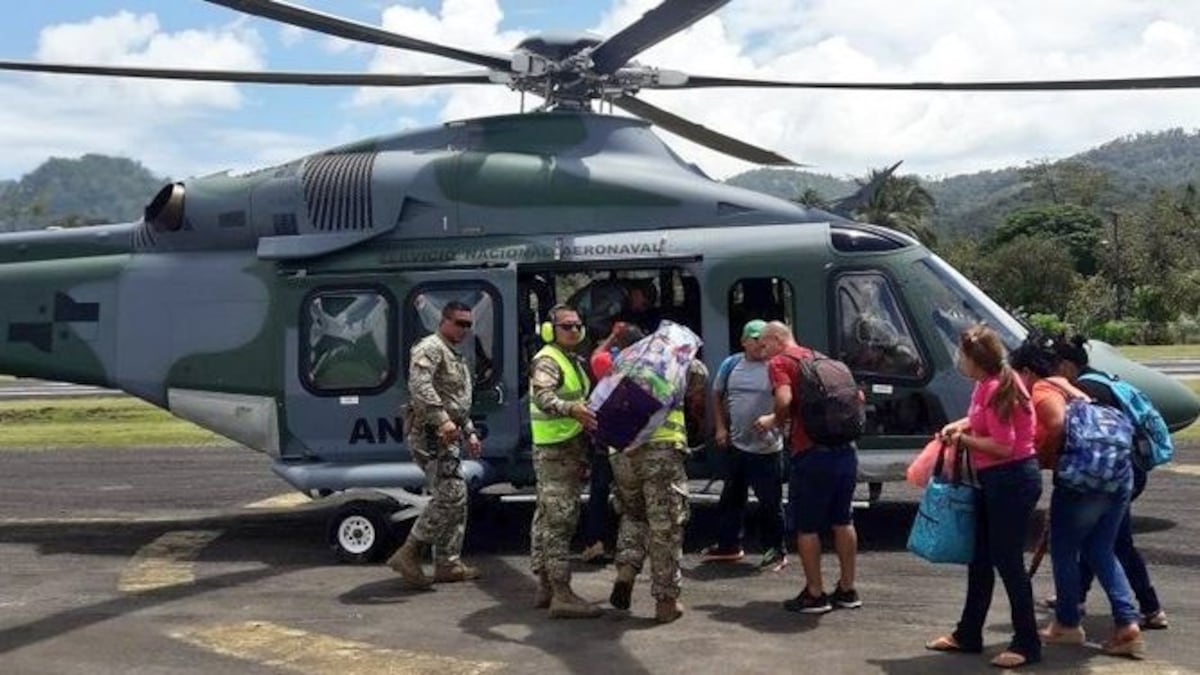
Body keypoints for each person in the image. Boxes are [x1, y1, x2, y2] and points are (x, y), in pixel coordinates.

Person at [1008, 336, 1145, 659]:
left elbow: (1055, 425)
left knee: (1065, 549)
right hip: (1117, 476)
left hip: (1083, 482)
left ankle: (1068, 623)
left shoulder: (1042, 390)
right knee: (1100, 549)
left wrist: (1040, 458)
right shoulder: (1071, 387)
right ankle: (1127, 623)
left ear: (1027, 371)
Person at [925, 324, 1042, 669]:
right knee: (980, 559)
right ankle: (968, 633)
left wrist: (964, 441)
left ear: (975, 359)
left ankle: (1027, 642)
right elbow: (982, 420)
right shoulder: (987, 384)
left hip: (1012, 479)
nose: (958, 359)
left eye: (962, 354)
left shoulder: (996, 387)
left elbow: (1003, 446)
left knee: (1008, 562)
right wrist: (961, 425)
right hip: (996, 480)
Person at [1055, 335, 1166, 630]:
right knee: (1101, 541)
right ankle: (1077, 596)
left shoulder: (1083, 391)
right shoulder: (1104, 380)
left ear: (1066, 366)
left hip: (1107, 475)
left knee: (1112, 543)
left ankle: (1149, 607)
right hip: (1126, 471)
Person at [757, 321, 859, 614]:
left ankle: (815, 593)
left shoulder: (780, 362)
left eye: (764, 345)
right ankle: (847, 588)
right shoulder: (820, 359)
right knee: (843, 520)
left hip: (811, 452)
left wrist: (773, 421)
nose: (763, 352)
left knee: (807, 526)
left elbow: (784, 399)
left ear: (777, 339)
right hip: (845, 450)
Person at [608, 338, 708, 624]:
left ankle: (626, 570)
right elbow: (700, 380)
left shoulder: (624, 359)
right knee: (665, 525)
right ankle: (666, 601)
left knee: (633, 513)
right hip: (660, 452)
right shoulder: (678, 363)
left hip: (621, 452)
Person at [388, 301, 483, 588]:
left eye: (469, 324)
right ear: (444, 321)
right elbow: (421, 387)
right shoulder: (430, 348)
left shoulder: (454, 354)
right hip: (430, 435)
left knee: (458, 497)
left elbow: (456, 400)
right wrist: (442, 420)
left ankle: (448, 563)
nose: (464, 329)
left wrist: (469, 431)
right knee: (450, 495)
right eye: (460, 323)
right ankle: (409, 551)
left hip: (448, 436)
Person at [528, 304, 603, 619]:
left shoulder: (572, 360)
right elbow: (542, 397)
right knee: (560, 520)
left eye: (576, 326)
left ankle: (546, 587)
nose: (573, 330)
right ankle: (562, 593)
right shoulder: (548, 360)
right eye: (566, 326)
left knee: (547, 517)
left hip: (568, 448)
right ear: (550, 330)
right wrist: (573, 410)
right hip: (556, 451)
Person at [700, 319, 788, 571]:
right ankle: (728, 545)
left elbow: (787, 401)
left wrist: (775, 421)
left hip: (767, 448)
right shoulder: (731, 364)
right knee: (731, 497)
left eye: (765, 337)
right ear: (743, 342)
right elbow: (716, 394)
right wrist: (720, 427)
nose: (762, 342)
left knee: (770, 502)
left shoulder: (775, 366)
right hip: (738, 445)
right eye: (756, 337)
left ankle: (776, 550)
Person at [581, 321, 646, 564]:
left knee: (599, 491)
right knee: (630, 495)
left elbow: (596, 356)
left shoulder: (607, 363)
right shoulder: (645, 366)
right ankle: (629, 548)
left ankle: (595, 543)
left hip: (604, 438)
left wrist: (612, 336)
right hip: (632, 440)